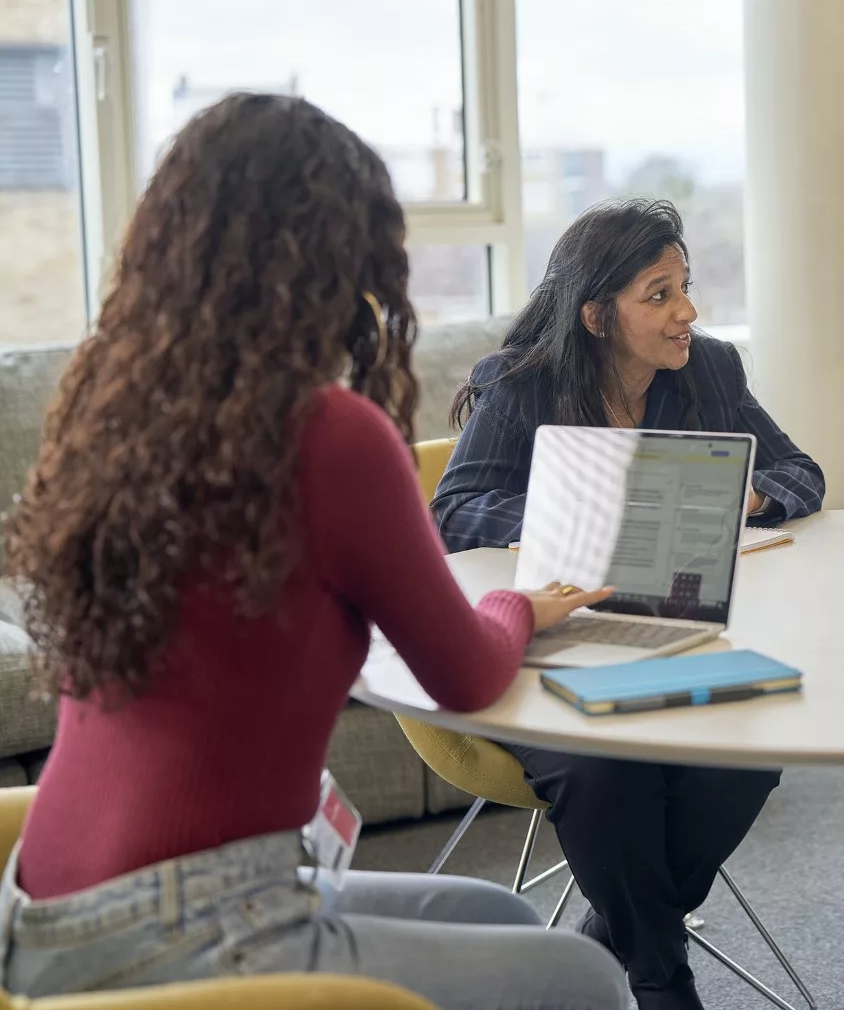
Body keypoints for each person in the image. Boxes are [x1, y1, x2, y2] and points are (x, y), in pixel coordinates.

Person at [0, 94, 626, 1010]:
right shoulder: (327, 434)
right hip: (184, 923)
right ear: (337, 259)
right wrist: (520, 605)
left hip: (45, 907)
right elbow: (465, 676)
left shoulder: (115, 412)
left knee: (501, 919)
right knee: (585, 980)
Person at [431, 198, 825, 1010]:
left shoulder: (710, 370)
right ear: (596, 315)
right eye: (658, 294)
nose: (686, 311)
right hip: (546, 640)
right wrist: (587, 522)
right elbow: (456, 512)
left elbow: (801, 475)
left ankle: (606, 945)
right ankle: (660, 980)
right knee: (603, 761)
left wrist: (751, 500)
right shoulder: (519, 386)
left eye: (685, 286)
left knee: (753, 742)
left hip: (677, 634)